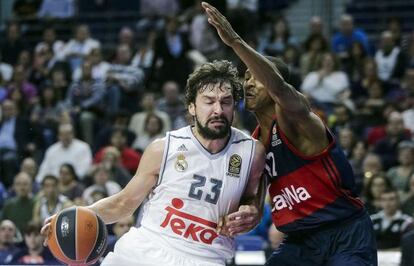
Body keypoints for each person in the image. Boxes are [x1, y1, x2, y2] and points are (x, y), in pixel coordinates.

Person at [201, 2, 377, 265]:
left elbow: (280, 89)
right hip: (300, 241)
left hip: (344, 232)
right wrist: (248, 211)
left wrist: (236, 42)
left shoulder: (298, 119)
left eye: (255, 77)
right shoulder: (254, 142)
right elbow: (255, 200)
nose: (247, 82)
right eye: (245, 77)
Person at [42, 59, 266, 266]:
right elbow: (124, 204)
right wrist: (79, 214)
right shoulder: (163, 147)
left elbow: (251, 200)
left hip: (206, 257)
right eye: (209, 102)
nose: (218, 109)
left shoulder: (251, 152)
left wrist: (253, 211)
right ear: (191, 107)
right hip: (146, 248)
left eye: (226, 102)